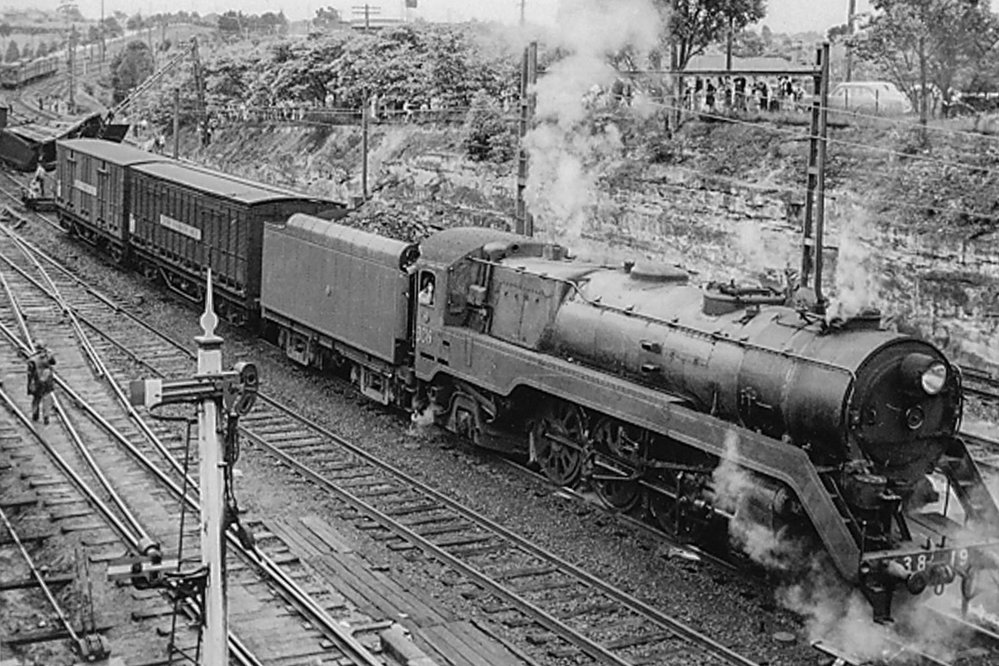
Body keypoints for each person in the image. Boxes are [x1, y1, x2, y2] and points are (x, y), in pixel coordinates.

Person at [27, 342, 56, 425]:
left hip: (37, 381)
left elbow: (30, 373)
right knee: (46, 398)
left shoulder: (32, 359)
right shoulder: (48, 356)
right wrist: (50, 353)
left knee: (36, 398)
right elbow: (53, 362)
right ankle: (46, 416)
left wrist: (29, 384)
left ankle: (35, 413)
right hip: (47, 381)